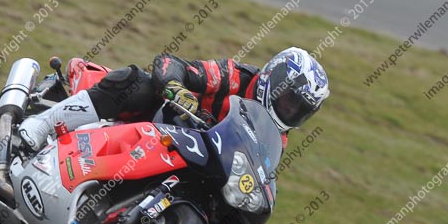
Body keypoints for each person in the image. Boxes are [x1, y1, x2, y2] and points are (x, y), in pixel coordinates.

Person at [19, 46, 329, 152]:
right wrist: (177, 89)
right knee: (137, 83)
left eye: (299, 110)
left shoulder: (277, 137)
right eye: (289, 100)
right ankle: (41, 125)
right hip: (158, 121)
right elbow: (170, 63)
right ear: (273, 77)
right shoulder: (234, 77)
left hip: (188, 156)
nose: (290, 110)